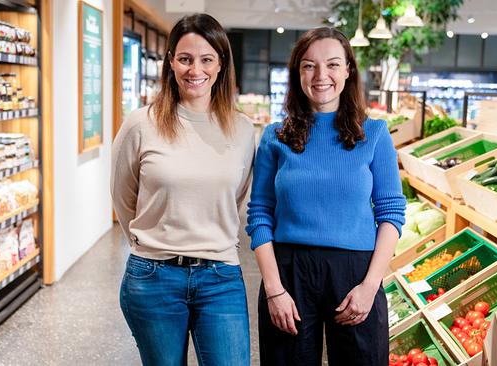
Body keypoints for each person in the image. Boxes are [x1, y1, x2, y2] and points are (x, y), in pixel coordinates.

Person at [246, 27, 406, 365]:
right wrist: (274, 289)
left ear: (348, 70)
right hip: (289, 275)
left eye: (333, 64)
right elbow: (260, 215)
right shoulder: (275, 137)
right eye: (309, 65)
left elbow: (391, 213)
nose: (321, 75)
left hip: (356, 274)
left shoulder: (374, 134)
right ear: (297, 73)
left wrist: (370, 286)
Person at [111, 13, 254, 366]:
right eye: (185, 58)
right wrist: (154, 237)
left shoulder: (242, 129)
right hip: (153, 277)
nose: (195, 70)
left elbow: (235, 197)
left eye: (207, 59)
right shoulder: (141, 123)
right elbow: (122, 195)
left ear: (221, 64)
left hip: (220, 276)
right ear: (171, 61)